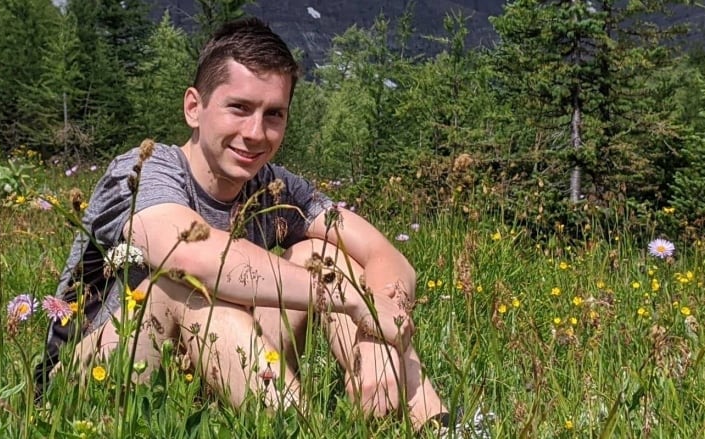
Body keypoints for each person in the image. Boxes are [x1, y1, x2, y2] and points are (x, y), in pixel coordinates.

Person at [35, 17, 488, 436]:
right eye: (239, 108)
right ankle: (302, 430)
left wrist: (374, 333)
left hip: (213, 376)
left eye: (274, 114)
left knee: (323, 256)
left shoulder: (276, 188)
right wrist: (351, 301)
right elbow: (192, 255)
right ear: (194, 107)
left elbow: (388, 258)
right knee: (181, 287)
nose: (256, 132)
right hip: (91, 384)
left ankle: (436, 426)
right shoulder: (142, 172)